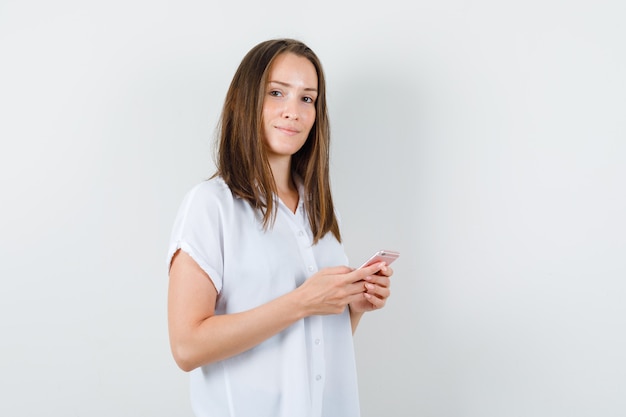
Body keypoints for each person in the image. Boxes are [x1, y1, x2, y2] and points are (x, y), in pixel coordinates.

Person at [167, 38, 393, 417]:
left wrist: (352, 306)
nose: (294, 111)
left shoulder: (317, 211)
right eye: (277, 93)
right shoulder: (210, 205)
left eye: (308, 99)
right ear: (246, 100)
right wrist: (303, 302)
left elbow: (311, 345)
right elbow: (187, 347)